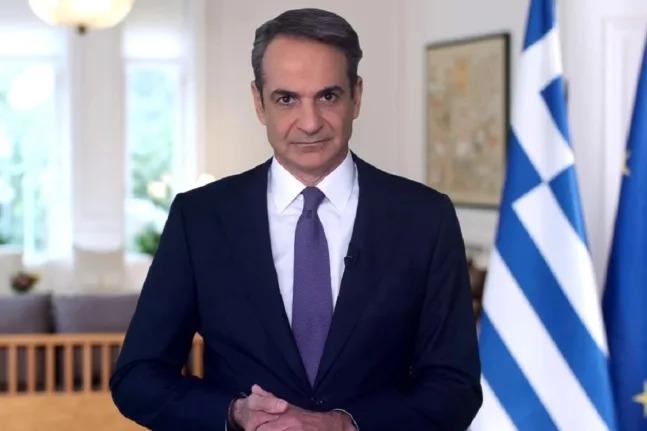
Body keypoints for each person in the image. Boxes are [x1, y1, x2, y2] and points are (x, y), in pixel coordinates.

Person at [110, 7, 482, 431]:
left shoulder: (425, 218)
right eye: (286, 99)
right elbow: (137, 377)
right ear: (259, 102)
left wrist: (345, 425)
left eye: (328, 96)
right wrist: (233, 413)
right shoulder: (200, 219)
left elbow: (455, 386)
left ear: (357, 96)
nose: (309, 123)